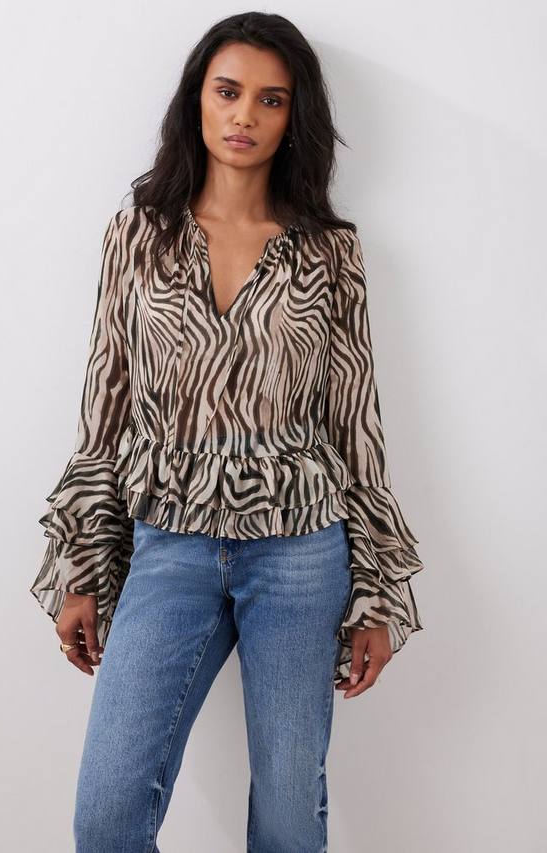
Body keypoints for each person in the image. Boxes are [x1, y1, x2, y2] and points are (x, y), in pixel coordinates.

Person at [29, 12, 424, 852]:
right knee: (106, 816)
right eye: (228, 91)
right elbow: (104, 411)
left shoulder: (330, 254)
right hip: (168, 543)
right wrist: (81, 565)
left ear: (293, 118)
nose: (245, 114)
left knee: (288, 816)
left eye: (271, 99)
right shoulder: (138, 236)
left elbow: (356, 424)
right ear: (197, 101)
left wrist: (377, 592)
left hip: (301, 552)